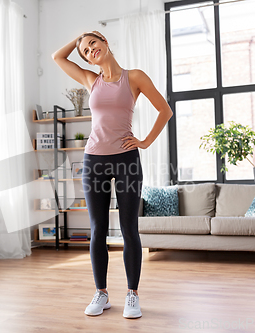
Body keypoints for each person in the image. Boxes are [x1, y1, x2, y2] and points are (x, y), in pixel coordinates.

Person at [52, 31, 172, 319]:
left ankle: (132, 294)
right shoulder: (90, 80)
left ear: (105, 43)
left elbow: (164, 110)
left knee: (129, 229)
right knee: (98, 230)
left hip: (126, 159)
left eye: (93, 43)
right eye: (84, 51)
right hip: (94, 161)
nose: (90, 49)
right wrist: (78, 38)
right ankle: (101, 293)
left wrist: (144, 142)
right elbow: (58, 57)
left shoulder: (134, 77)